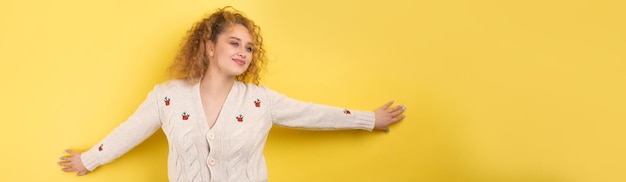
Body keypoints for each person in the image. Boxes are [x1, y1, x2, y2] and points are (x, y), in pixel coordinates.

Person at [57, 6, 406, 182]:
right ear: (209, 47)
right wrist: (88, 160)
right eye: (234, 43)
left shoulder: (259, 101)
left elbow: (312, 114)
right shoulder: (167, 97)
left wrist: (369, 119)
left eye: (250, 48)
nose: (243, 52)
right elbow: (130, 131)